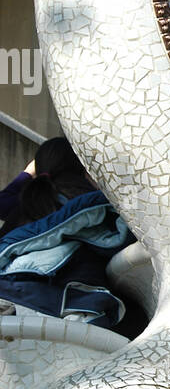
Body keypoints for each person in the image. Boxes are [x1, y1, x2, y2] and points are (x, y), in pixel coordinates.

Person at [0, 137, 143, 336]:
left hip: (11, 289)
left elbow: (3, 202)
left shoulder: (23, 201)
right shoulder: (91, 201)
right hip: (60, 297)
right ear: (83, 167)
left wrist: (28, 173)